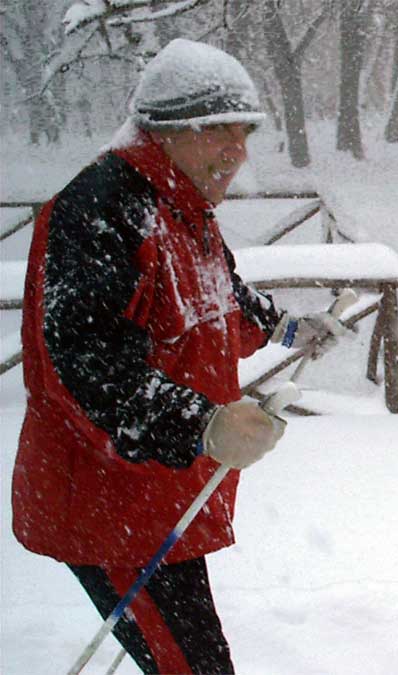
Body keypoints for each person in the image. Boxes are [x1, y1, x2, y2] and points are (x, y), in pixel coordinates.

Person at [11, 38, 344, 674]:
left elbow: (220, 302)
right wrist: (202, 423)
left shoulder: (185, 210)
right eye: (217, 131)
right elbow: (82, 365)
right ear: (165, 133)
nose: (236, 152)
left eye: (243, 133)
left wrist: (289, 329)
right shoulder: (101, 210)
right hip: (110, 502)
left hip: (163, 493)